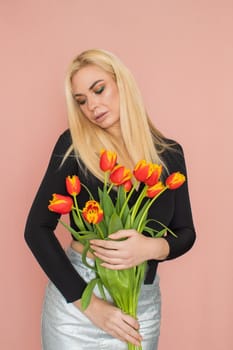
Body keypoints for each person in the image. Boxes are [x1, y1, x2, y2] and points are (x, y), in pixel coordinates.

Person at [24, 48, 196, 350]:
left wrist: (150, 247)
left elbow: (186, 233)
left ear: (122, 83)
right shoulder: (74, 147)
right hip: (77, 307)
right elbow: (36, 229)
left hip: (139, 307)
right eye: (82, 101)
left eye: (98, 89)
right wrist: (89, 305)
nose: (92, 106)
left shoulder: (169, 154)